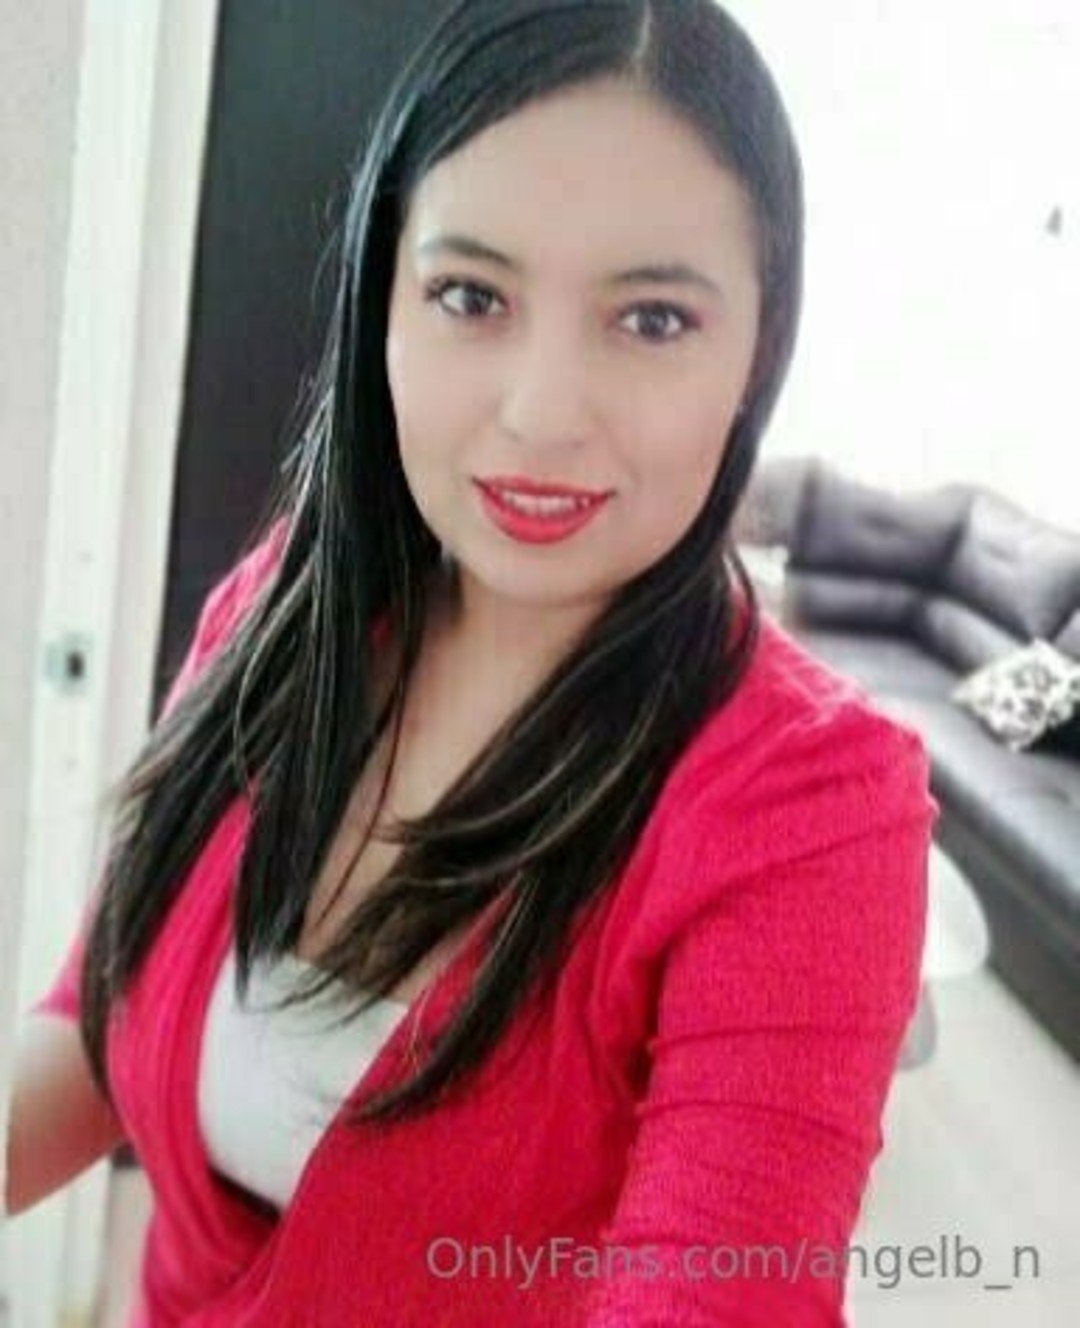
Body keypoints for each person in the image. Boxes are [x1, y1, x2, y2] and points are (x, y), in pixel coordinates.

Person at [5, 1, 937, 1323]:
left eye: (653, 319)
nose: (543, 413)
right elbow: (100, 1018)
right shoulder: (277, 615)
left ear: (759, 350)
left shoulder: (811, 814)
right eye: (472, 296)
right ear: (383, 301)